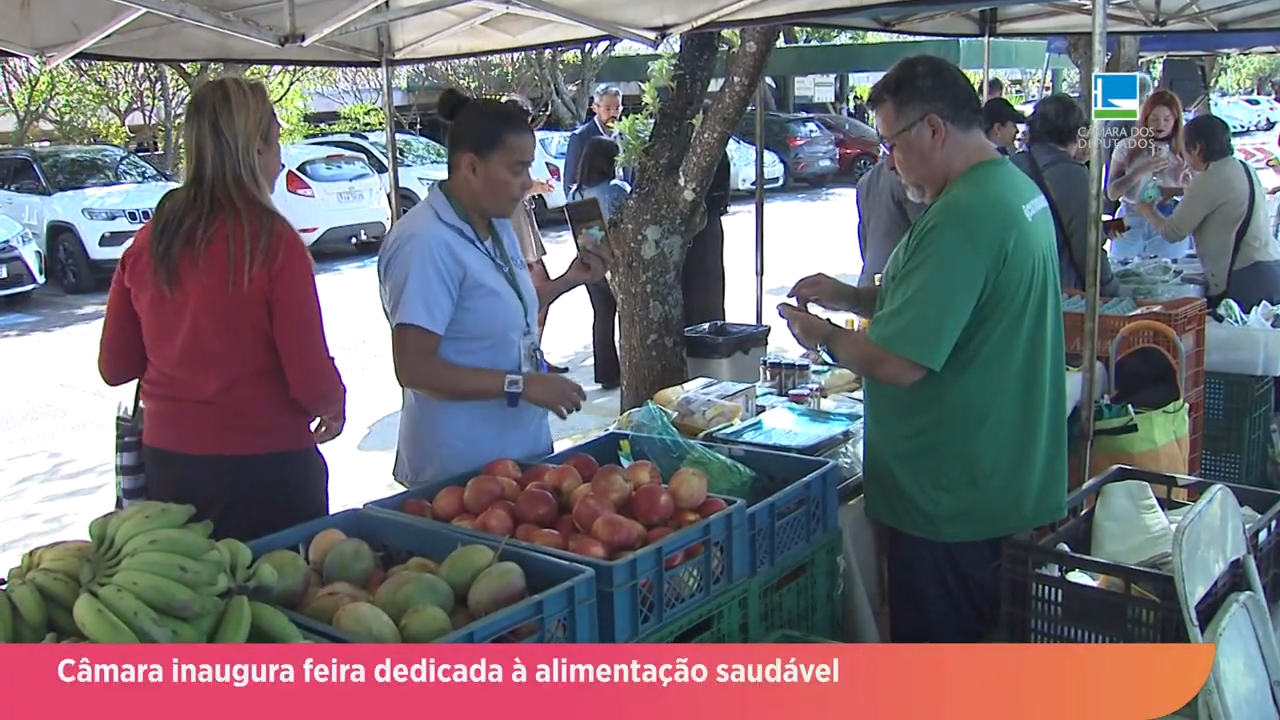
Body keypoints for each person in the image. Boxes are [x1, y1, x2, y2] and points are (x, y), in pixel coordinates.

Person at [778, 55, 1067, 643]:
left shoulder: (964, 216)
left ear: (932, 129)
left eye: (890, 142)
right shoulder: (1011, 188)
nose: (888, 159)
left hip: (952, 500)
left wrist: (822, 337)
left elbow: (901, 363)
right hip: (996, 479)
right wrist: (854, 299)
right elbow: (953, 312)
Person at [96, 77, 345, 541]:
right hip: (267, 473)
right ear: (253, 149)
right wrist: (334, 404)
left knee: (195, 607)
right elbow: (311, 379)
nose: (280, 159)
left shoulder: (152, 240)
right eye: (274, 142)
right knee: (279, 603)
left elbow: (115, 366)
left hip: (170, 469)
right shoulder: (273, 243)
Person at [377, 89, 605, 487]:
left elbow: (505, 311)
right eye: (516, 169)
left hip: (519, 457)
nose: (526, 183)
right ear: (471, 167)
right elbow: (414, 367)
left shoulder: (496, 222)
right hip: (458, 472)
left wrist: (570, 279)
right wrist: (522, 385)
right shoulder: (425, 242)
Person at [1133, 114, 1280, 310]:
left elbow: (1172, 232)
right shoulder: (1242, 167)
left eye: (1185, 149)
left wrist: (1146, 209)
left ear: (1197, 148)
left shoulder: (1208, 179)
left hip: (1245, 278)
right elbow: (1223, 197)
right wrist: (1177, 191)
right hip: (1270, 268)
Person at [1011, 94, 1119, 295]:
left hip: (1016, 287)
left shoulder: (1012, 165)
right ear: (1075, 133)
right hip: (1059, 291)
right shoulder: (1072, 174)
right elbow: (1087, 246)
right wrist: (1110, 290)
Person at [503, 95, 568, 374]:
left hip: (520, 223)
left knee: (537, 292)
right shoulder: (501, 145)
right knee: (534, 291)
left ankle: (533, 356)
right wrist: (534, 186)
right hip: (511, 225)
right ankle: (528, 359)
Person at [1106, 90, 1194, 260]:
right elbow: (1112, 192)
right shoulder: (1127, 147)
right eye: (1153, 118)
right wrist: (1140, 171)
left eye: (1167, 119)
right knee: (1123, 274)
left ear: (1176, 121)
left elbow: (1198, 193)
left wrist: (1181, 184)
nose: (1160, 124)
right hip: (1130, 216)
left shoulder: (1185, 151)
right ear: (1145, 119)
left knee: (1167, 274)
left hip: (1168, 216)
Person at [571, 136, 630, 390]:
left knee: (602, 317)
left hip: (589, 259)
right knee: (627, 318)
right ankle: (627, 369)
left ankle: (606, 373)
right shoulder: (616, 190)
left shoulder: (575, 192)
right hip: (616, 261)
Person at [855, 152, 925, 287]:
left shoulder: (865, 181)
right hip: (900, 285)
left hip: (872, 281)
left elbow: (864, 239)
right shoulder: (908, 180)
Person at [684, 145, 731, 326]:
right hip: (696, 224)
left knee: (708, 289)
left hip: (705, 222)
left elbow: (722, 189)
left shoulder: (712, 146)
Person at [564, 85, 623, 193]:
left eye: (617, 108)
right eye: (608, 108)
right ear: (595, 108)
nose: (613, 113)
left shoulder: (625, 137)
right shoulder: (581, 137)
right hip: (591, 204)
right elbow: (569, 182)